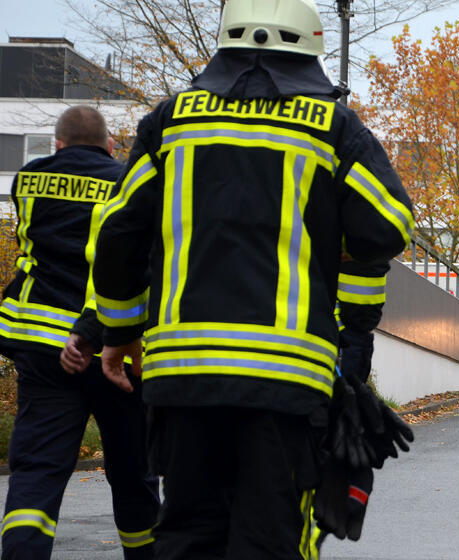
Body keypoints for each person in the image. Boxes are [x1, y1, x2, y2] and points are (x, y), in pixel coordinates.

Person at [89, 0, 414, 557]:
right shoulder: (333, 127)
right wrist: (351, 315)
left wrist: (117, 335)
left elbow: (117, 234)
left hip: (182, 375)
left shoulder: (169, 122)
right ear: (309, 51)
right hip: (284, 383)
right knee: (267, 536)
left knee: (187, 532)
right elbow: (388, 224)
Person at [0, 106, 159, 559]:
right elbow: (129, 260)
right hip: (118, 344)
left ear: (58, 145)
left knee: (36, 472)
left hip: (45, 347)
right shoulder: (127, 180)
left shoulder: (28, 180)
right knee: (133, 473)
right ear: (111, 147)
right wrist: (92, 330)